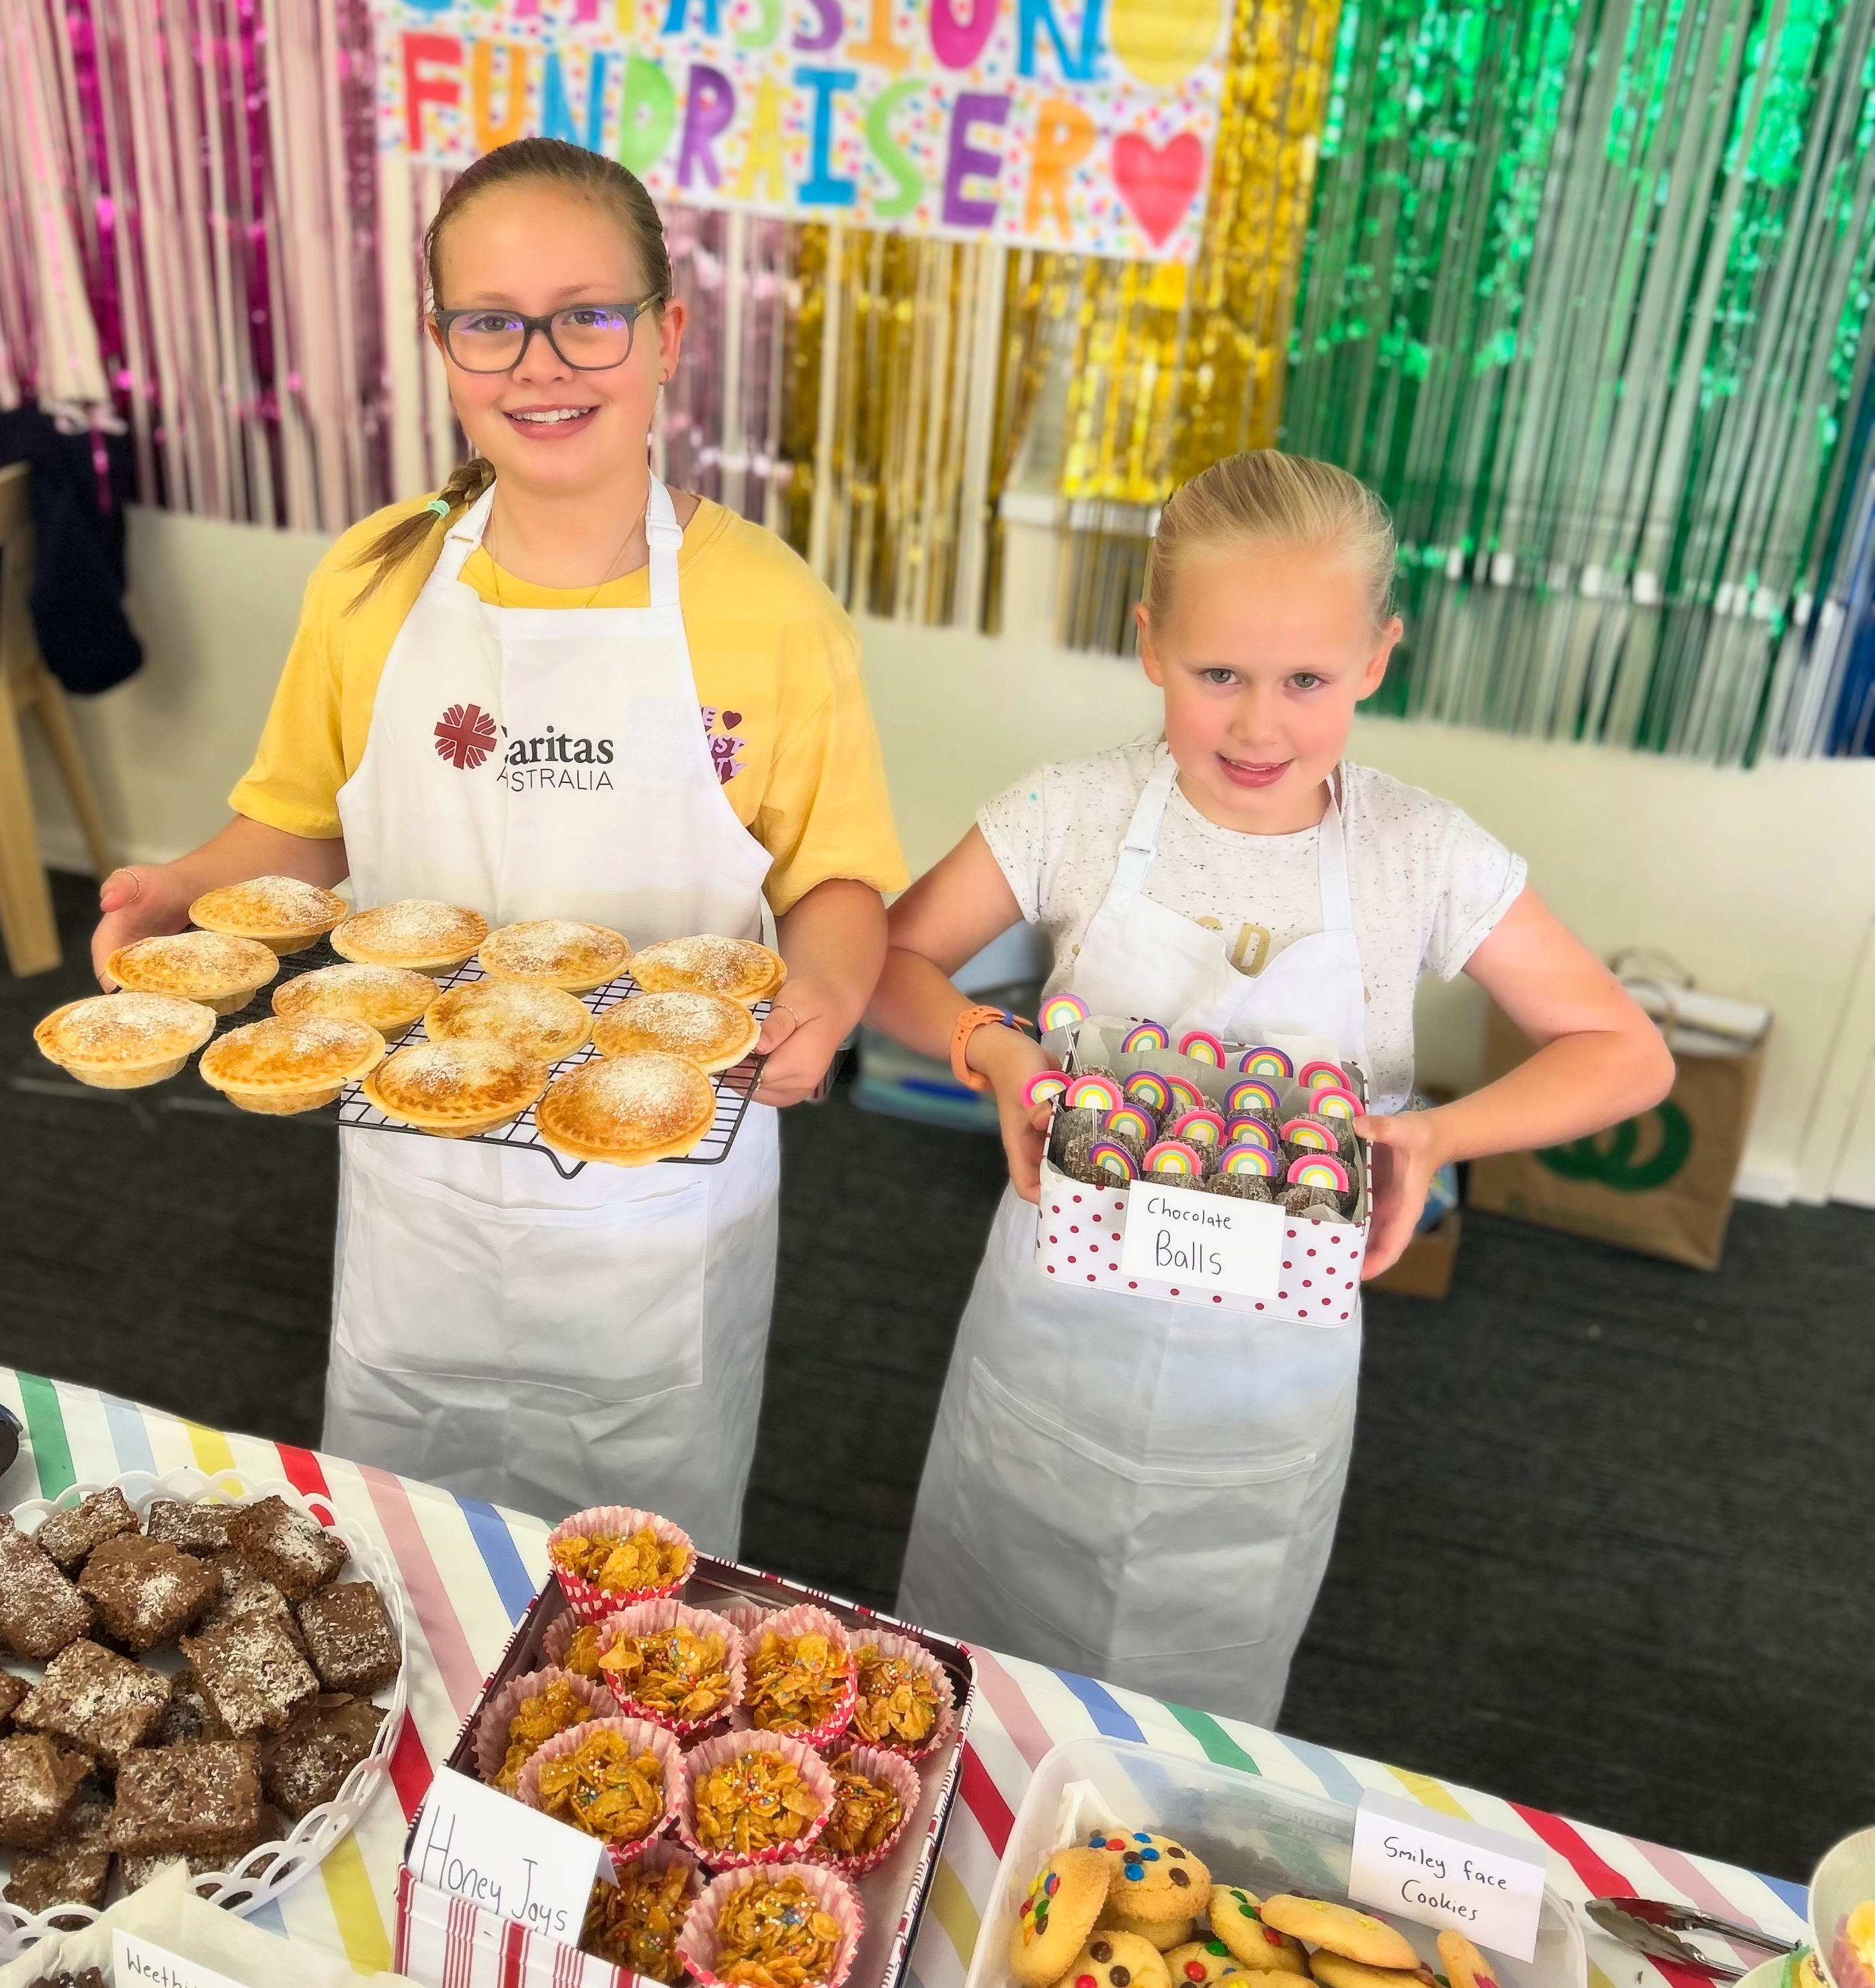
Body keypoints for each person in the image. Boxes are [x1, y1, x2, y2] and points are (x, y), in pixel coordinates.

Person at [91, 138, 905, 1551]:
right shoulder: (374, 578)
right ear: (441, 344)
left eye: (589, 315)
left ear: (669, 335)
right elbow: (302, 816)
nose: (542, 363)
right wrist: (185, 887)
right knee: (409, 1529)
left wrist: (826, 992)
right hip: (425, 1167)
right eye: (491, 321)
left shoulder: (766, 606)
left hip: (660, 1197)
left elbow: (832, 876)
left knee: (635, 1556)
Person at [870, 450, 1671, 1720]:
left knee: (1198, 1688)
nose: (1259, 725)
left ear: (1378, 661)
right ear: (1148, 642)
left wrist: (1435, 1136)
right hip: (1052, 1339)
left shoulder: (1419, 851)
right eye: (1218, 675)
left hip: (1269, 1375)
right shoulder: (1072, 810)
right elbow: (889, 961)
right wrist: (994, 1049)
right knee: (981, 1666)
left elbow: (1628, 1053)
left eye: (1306, 680)